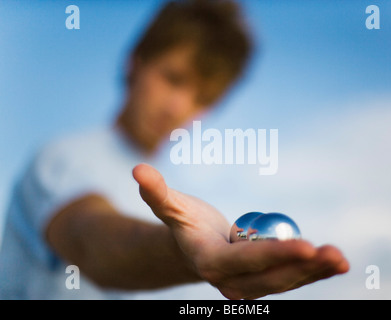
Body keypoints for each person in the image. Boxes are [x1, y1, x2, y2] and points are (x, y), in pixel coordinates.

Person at [0, 0, 349, 300]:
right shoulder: (64, 158)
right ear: (135, 62)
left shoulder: (183, 188)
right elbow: (92, 240)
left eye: (202, 98)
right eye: (173, 77)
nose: (178, 106)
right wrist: (183, 254)